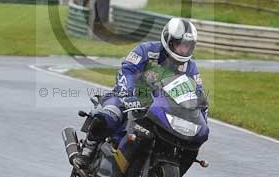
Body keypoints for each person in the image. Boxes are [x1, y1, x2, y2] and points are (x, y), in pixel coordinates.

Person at [74, 17, 208, 169]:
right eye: (179, 45)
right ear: (168, 40)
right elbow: (127, 70)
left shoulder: (190, 67)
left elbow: (197, 93)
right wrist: (128, 94)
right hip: (129, 97)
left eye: (187, 46)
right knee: (110, 114)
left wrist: (201, 117)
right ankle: (88, 149)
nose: (183, 50)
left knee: (183, 142)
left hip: (161, 108)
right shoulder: (147, 50)